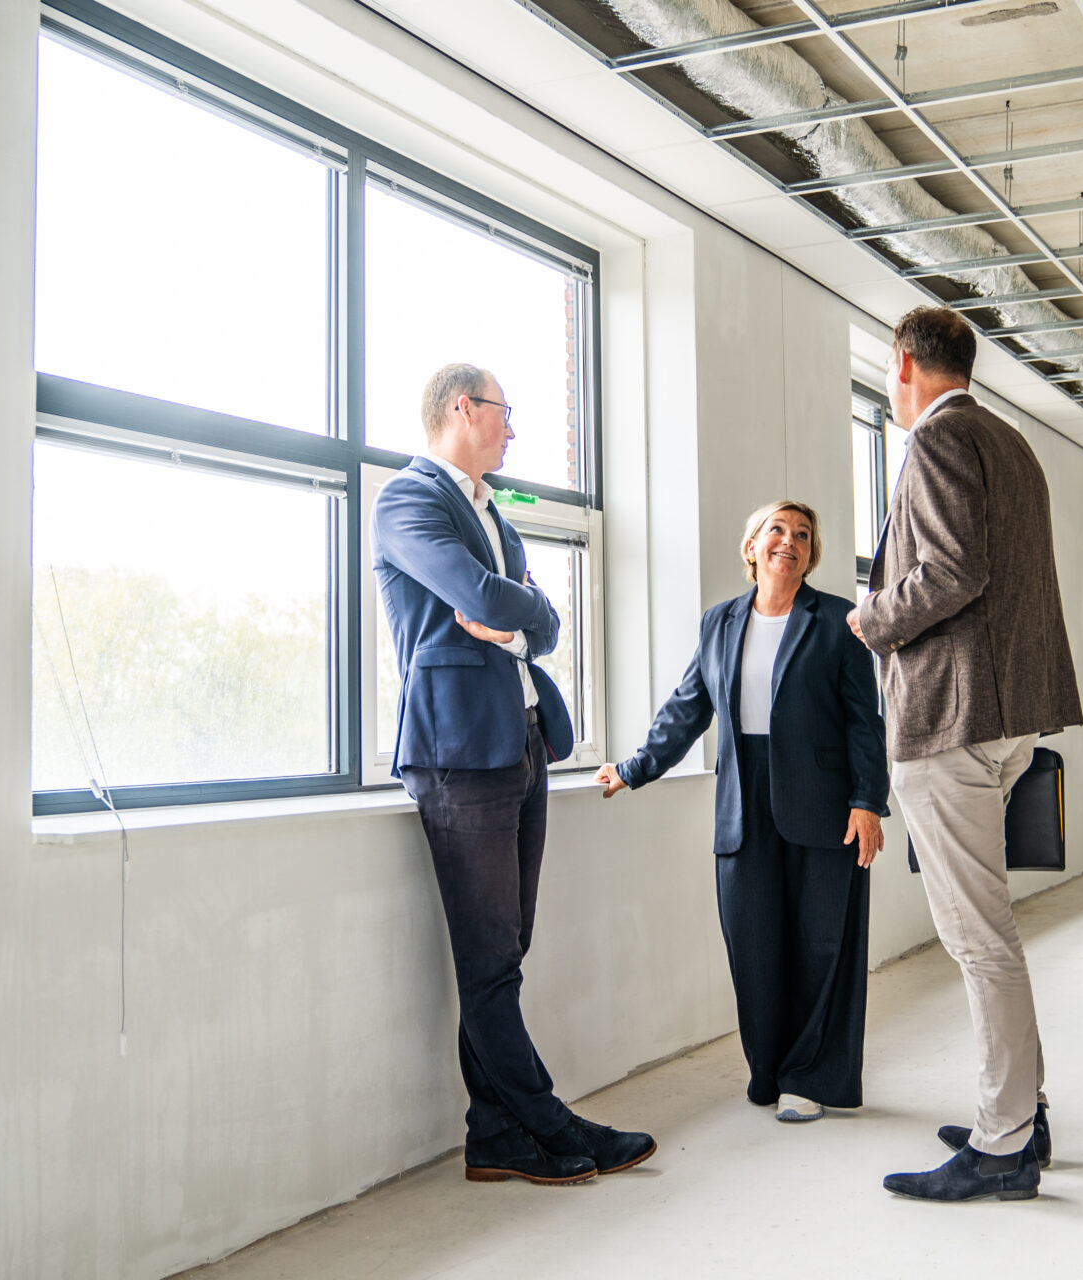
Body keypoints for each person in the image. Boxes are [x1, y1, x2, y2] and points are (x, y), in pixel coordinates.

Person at [374, 362, 656, 1186]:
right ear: (462, 408)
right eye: (504, 412)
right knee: (490, 957)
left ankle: (493, 1135)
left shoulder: (493, 511)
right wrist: (512, 611)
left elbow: (541, 619)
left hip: (522, 740)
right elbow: (479, 597)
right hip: (458, 753)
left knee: (506, 952)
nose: (511, 427)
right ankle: (544, 1117)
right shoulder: (409, 500)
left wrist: (516, 618)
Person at [847, 307, 1083, 1203]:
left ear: (905, 364)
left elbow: (950, 572)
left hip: (952, 718)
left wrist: (871, 619)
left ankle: (1003, 1141)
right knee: (990, 936)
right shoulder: (1010, 442)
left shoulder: (938, 442)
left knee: (979, 941)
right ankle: (1021, 1108)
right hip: (1007, 712)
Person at [595, 501, 888, 1122]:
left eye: (803, 534)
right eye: (776, 530)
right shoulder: (720, 623)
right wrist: (633, 768)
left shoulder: (838, 621)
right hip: (743, 800)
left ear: (812, 554)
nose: (790, 541)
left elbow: (866, 721)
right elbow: (687, 707)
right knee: (753, 943)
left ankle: (811, 1077)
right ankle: (772, 1069)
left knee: (821, 942)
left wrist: (868, 801)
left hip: (824, 802)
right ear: (752, 546)